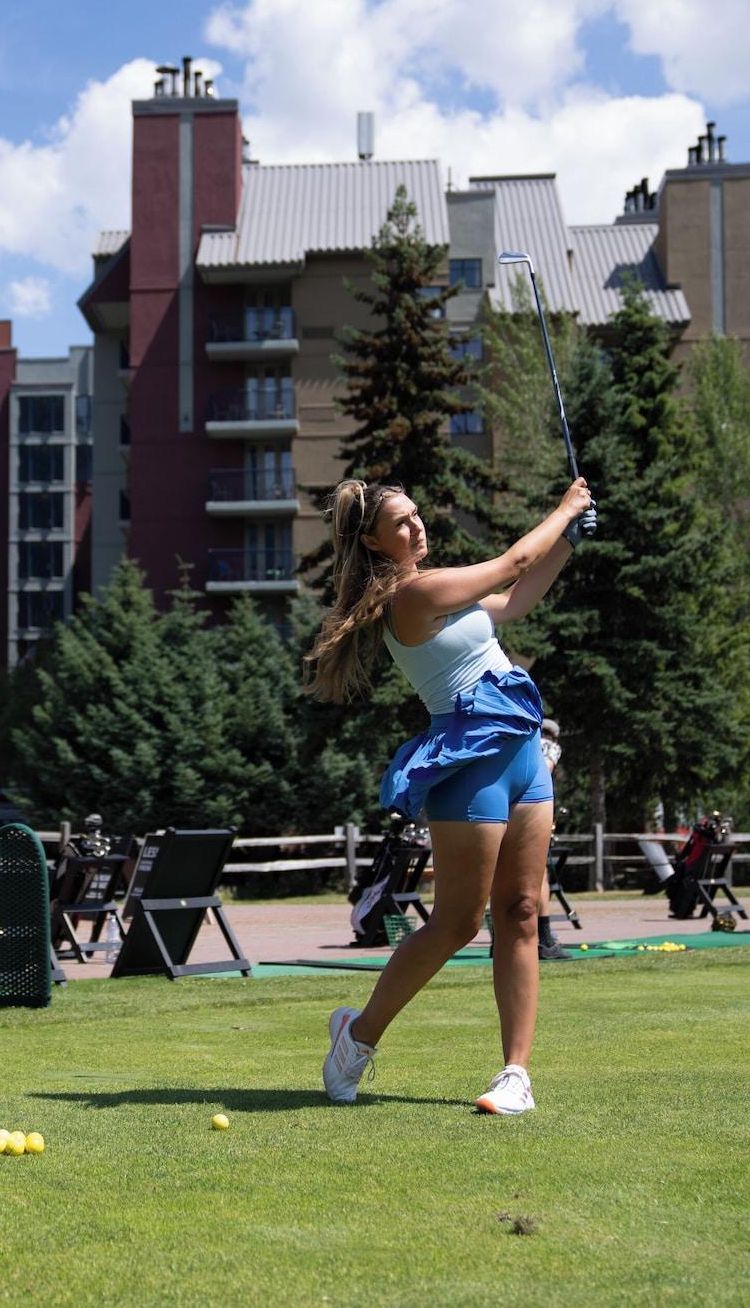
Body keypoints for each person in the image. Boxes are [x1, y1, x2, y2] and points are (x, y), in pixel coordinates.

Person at [306, 476, 595, 1116]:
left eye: (416, 516)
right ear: (376, 544)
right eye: (401, 524)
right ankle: (358, 1036)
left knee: (521, 910)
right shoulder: (413, 594)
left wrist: (568, 540)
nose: (416, 529)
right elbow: (515, 561)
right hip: (469, 762)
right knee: (459, 922)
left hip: (521, 753)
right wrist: (565, 507)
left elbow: (517, 599)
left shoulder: (447, 597)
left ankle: (515, 1074)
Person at [535, 719, 568, 960]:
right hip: (535, 810)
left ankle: (499, 939)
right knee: (540, 876)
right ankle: (545, 941)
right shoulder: (550, 747)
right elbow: (545, 770)